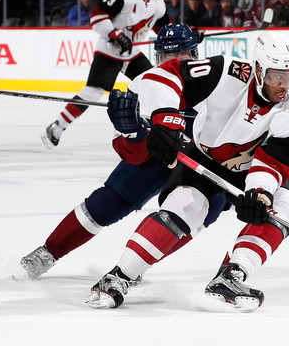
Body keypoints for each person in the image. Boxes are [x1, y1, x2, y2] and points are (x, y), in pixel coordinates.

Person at [86, 32, 289, 311]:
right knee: (187, 205)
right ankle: (119, 275)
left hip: (251, 169)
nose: (283, 85)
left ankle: (232, 275)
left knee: (285, 206)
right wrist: (166, 118)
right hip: (204, 156)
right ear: (258, 69)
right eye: (275, 76)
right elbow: (163, 76)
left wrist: (259, 193)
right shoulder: (227, 72)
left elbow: (273, 164)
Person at [21, 24, 230, 280]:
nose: (174, 64)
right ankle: (48, 253)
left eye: (182, 57)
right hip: (155, 157)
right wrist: (132, 132)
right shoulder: (144, 85)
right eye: (166, 57)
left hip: (197, 161)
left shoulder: (219, 85)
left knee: (208, 209)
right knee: (105, 204)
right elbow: (133, 156)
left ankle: (137, 264)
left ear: (195, 57)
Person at [41, 0, 169, 149]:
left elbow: (164, 29)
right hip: (109, 51)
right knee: (92, 92)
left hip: (132, 54)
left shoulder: (158, 2)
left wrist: (189, 32)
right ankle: (57, 127)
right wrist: (115, 34)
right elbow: (97, 15)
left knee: (154, 85)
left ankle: (157, 133)